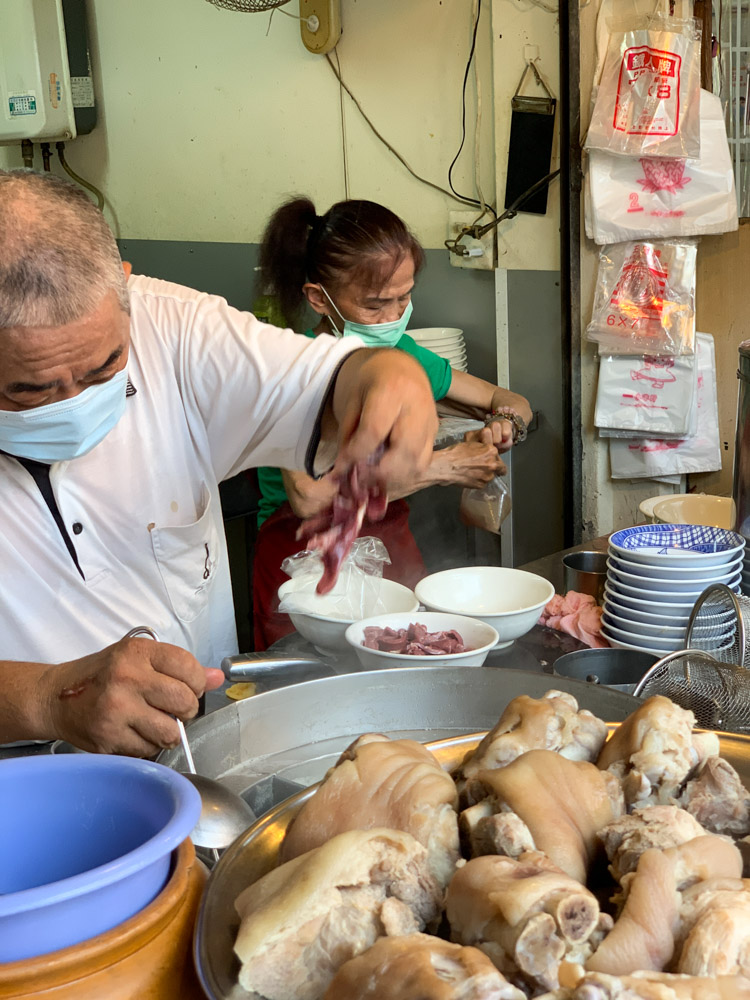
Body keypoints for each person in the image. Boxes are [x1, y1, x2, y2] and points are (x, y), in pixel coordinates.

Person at [0, 170, 441, 756]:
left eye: (104, 367)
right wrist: (50, 698)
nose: (74, 402)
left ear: (124, 288)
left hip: (198, 755)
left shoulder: (175, 329)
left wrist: (389, 376)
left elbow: (335, 376)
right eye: (31, 391)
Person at [252, 197, 532, 649]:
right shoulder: (290, 367)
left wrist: (502, 425)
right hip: (302, 563)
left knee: (411, 659)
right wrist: (445, 467)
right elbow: (309, 499)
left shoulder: (404, 354)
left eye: (404, 298)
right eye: (376, 304)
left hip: (389, 550)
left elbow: (511, 401)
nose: (393, 317)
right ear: (319, 298)